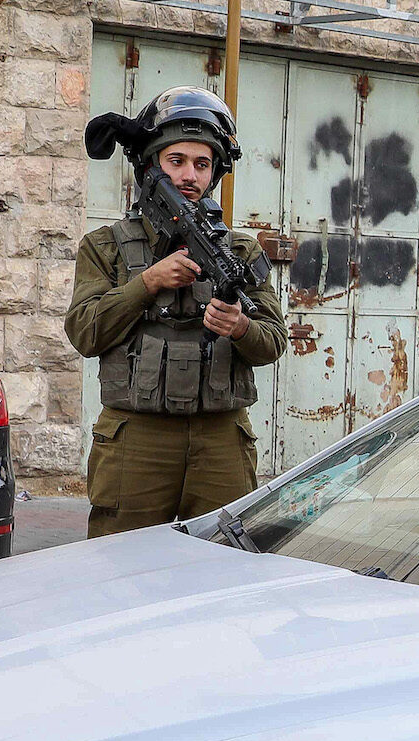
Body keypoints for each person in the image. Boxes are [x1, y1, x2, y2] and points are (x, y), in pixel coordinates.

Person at [66, 87, 287, 538]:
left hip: (221, 440)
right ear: (151, 167)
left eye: (202, 164)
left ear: (214, 173)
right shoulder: (105, 246)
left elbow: (274, 342)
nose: (190, 174)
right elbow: (85, 333)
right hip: (135, 439)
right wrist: (148, 283)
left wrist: (241, 327)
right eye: (177, 161)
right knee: (119, 570)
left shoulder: (240, 250)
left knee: (223, 572)